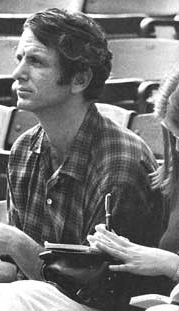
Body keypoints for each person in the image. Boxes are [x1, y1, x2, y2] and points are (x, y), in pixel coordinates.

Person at [0, 8, 166, 311]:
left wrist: (14, 242)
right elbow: (22, 274)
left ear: (79, 79)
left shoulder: (122, 163)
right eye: (20, 59)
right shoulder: (23, 149)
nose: (18, 74)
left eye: (36, 61)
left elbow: (104, 294)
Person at [88, 64, 179, 310]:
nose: (178, 147)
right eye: (174, 136)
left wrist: (171, 265)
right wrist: (124, 250)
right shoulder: (172, 182)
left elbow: (168, 263)